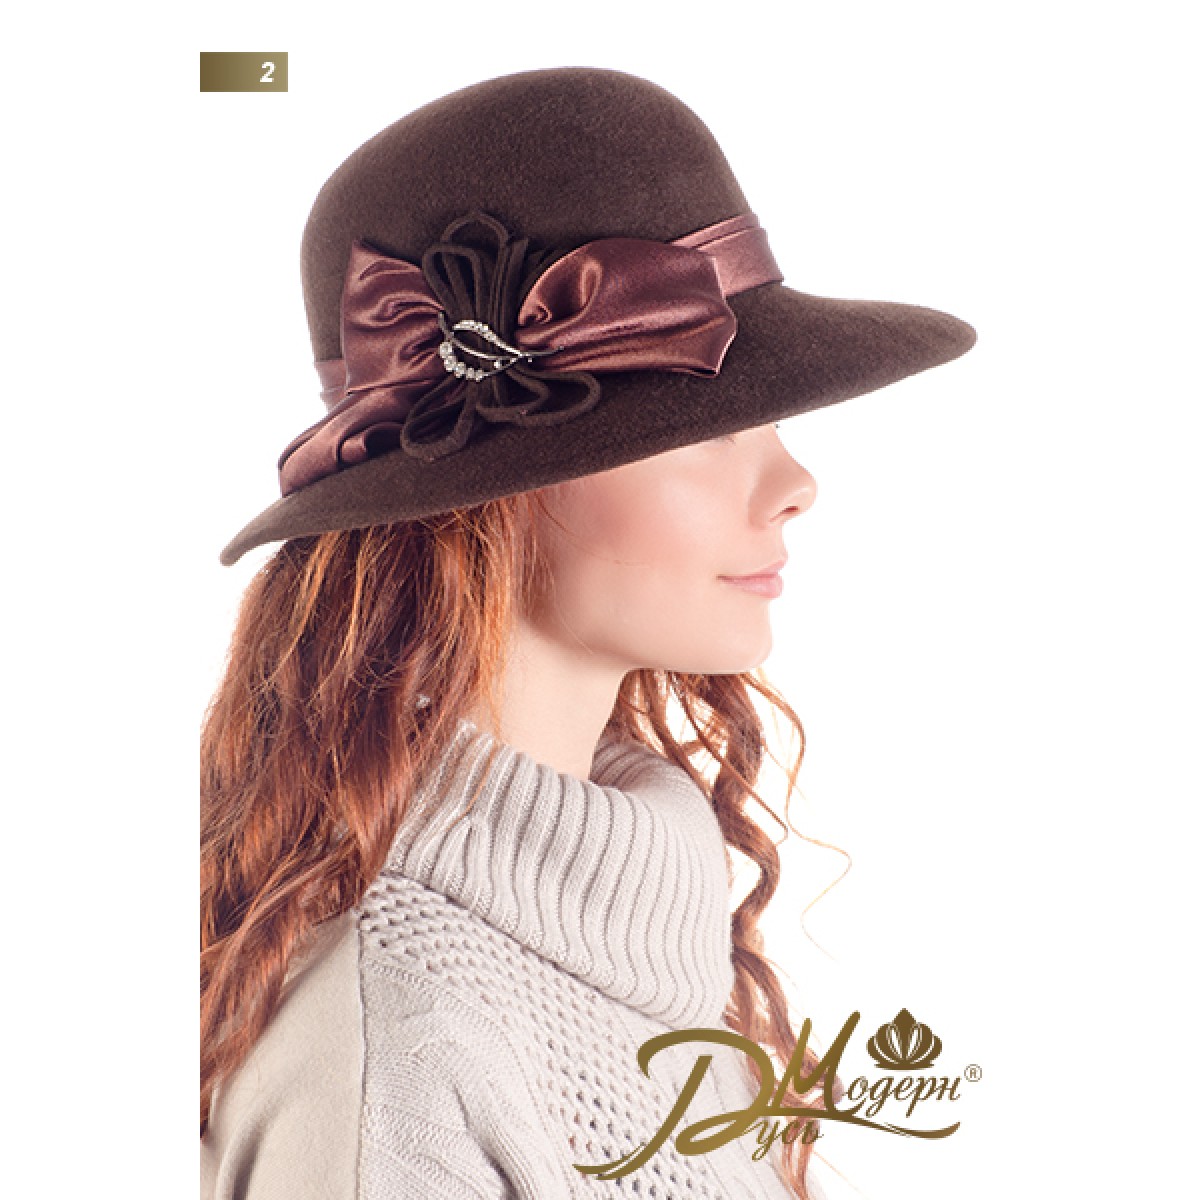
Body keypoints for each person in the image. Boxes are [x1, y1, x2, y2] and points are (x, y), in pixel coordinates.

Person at [200, 67, 976, 1200]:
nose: (795, 483)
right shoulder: (398, 1049)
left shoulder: (646, 944)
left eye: (771, 418)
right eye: (708, 424)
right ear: (504, 487)